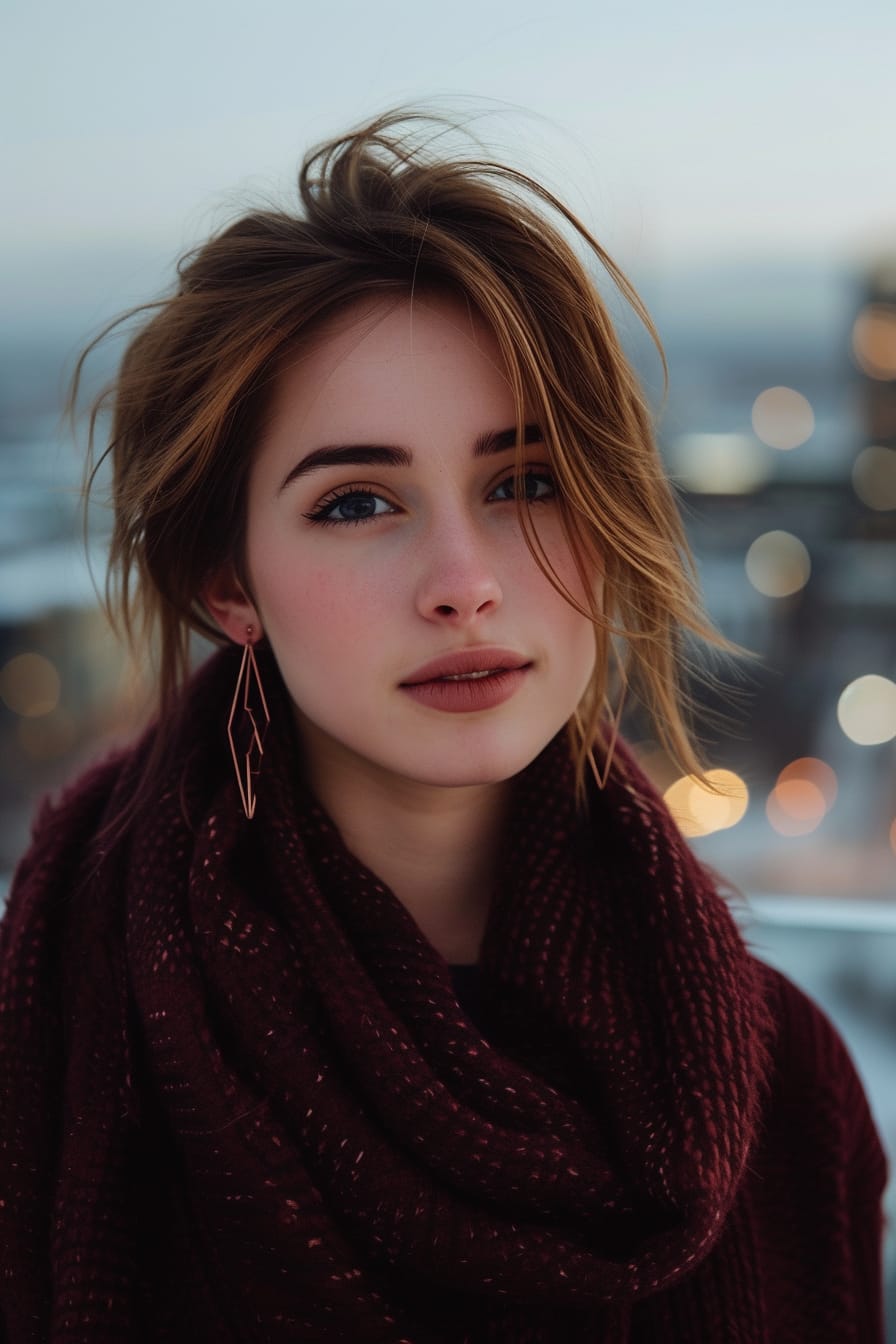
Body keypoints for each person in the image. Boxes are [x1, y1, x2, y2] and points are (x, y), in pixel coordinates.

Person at [0, 111, 888, 1343]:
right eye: (358, 501)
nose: (463, 580)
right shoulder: (53, 1037)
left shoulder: (787, 1089)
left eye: (523, 482)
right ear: (228, 583)